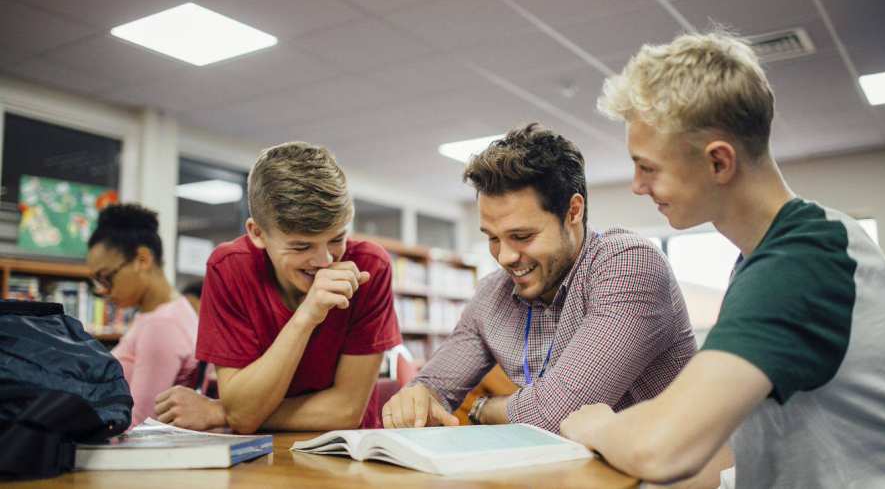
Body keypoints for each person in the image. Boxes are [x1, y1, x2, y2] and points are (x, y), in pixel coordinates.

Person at [560, 31, 885, 489]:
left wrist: (595, 424)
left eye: (649, 167)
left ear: (719, 162)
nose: (637, 186)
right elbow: (726, 445)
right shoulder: (769, 256)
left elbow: (663, 449)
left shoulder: (802, 261)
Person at [382, 123, 696, 432]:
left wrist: (481, 408)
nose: (504, 257)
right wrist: (414, 400)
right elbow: (431, 387)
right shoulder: (492, 294)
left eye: (521, 235)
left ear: (573, 212)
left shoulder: (628, 263)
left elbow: (558, 414)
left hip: (661, 478)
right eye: (492, 238)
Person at [154, 141, 402, 433]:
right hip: (254, 457)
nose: (324, 261)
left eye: (336, 239)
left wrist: (222, 412)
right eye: (301, 246)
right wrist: (307, 316)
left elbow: (345, 411)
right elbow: (243, 414)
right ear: (257, 233)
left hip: (345, 453)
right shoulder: (228, 268)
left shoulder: (370, 267)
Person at [86, 203, 200, 428]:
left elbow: (140, 424)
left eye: (106, 277)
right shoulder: (164, 313)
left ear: (142, 260)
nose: (103, 290)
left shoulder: (161, 324)